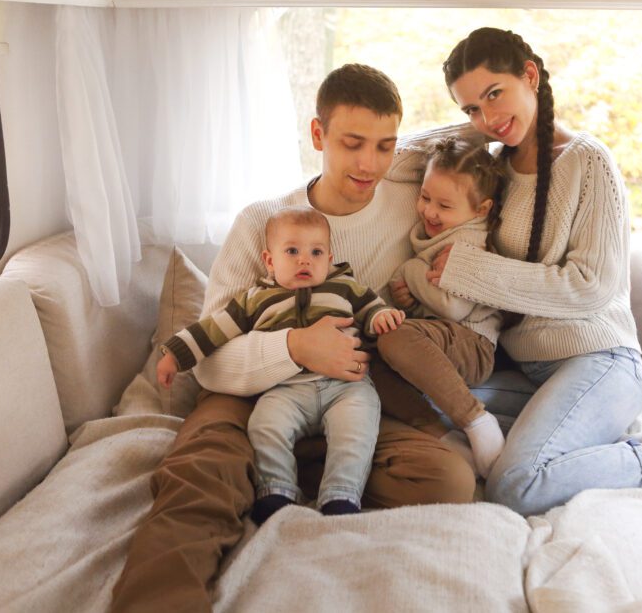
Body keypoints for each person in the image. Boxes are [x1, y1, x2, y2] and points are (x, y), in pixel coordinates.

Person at [110, 64, 476, 613]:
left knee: (448, 477)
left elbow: (464, 144)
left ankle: (297, 473)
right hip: (248, 395)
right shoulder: (263, 221)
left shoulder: (411, 207)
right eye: (352, 143)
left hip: (349, 395)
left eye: (385, 147)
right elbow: (211, 361)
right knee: (198, 479)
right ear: (317, 135)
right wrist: (294, 348)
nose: (369, 164)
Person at [397, 26, 642, 517]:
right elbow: (421, 152)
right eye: (471, 109)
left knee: (515, 486)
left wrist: (467, 271)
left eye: (495, 94)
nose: (488, 118)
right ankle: (573, 438)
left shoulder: (589, 162)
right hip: (529, 370)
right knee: (414, 388)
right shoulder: (490, 168)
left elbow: (589, 289)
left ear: (531, 76)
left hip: (599, 359)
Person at [155, 206, 405, 524]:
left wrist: (381, 316)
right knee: (264, 426)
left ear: (329, 260)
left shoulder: (344, 287)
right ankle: (277, 490)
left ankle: (341, 495)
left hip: (346, 387)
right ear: (270, 261)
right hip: (285, 389)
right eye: (292, 251)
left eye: (316, 252)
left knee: (357, 428)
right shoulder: (256, 300)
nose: (305, 260)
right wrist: (175, 355)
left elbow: (371, 308)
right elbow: (212, 331)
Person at [377, 137, 507, 478]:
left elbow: (452, 308)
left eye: (444, 206)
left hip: (473, 344)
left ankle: (476, 419)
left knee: (393, 336)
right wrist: (412, 301)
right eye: (425, 197)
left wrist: (409, 272)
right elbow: (432, 305)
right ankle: (443, 436)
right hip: (440, 339)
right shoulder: (437, 232)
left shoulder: (470, 242)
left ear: (481, 209)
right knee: (367, 359)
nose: (429, 211)